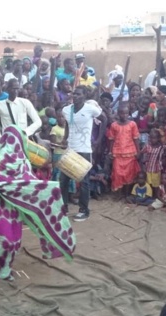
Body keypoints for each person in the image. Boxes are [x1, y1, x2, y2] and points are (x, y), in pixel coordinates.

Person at [0, 125, 76, 282]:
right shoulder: (0, 156)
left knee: (14, 241)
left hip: (13, 208)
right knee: (1, 241)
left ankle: (2, 271)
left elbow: (27, 179)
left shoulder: (22, 158)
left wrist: (45, 190)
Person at [61, 86, 106, 221]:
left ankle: (84, 210)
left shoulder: (91, 109)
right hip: (70, 149)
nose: (75, 96)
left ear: (85, 96)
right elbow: (69, 124)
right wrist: (65, 138)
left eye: (79, 94)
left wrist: (98, 140)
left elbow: (104, 119)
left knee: (84, 181)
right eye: (74, 94)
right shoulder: (66, 110)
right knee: (63, 180)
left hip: (84, 150)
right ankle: (63, 207)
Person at [108, 105, 140, 196]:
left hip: (130, 152)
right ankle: (119, 193)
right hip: (117, 152)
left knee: (129, 173)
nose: (124, 115)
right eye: (122, 113)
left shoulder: (132, 124)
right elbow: (111, 139)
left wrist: (138, 151)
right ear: (118, 114)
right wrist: (110, 151)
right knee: (117, 173)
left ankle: (126, 194)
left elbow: (136, 138)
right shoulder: (114, 125)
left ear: (128, 114)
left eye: (126, 113)